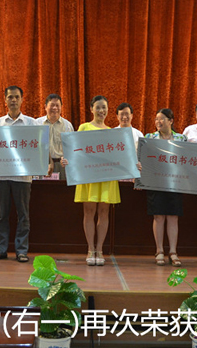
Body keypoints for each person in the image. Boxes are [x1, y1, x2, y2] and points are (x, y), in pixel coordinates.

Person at [61, 95, 120, 266]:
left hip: (106, 176)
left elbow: (117, 155)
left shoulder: (112, 131)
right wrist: (67, 159)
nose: (101, 110)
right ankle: (90, 249)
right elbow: (75, 149)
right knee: (89, 211)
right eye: (98, 107)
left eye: (104, 107)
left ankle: (100, 249)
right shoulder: (84, 127)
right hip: (88, 176)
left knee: (104, 212)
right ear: (91, 109)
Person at [0, 86, 39, 263]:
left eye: (17, 97)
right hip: (1, 176)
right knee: (1, 215)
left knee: (23, 215)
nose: (14, 100)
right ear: (5, 100)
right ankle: (0, 249)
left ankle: (21, 250)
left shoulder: (31, 123)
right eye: (10, 97)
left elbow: (38, 148)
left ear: (22, 99)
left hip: (23, 177)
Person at [143, 109, 187, 267]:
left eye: (162, 119)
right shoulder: (150, 137)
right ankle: (159, 250)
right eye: (156, 119)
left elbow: (187, 160)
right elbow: (143, 158)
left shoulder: (181, 138)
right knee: (159, 216)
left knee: (173, 216)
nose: (158, 122)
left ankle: (173, 252)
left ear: (171, 121)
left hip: (175, 182)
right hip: (156, 182)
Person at [36, 94, 74, 180]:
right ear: (45, 107)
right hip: (42, 164)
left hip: (62, 165)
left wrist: (67, 157)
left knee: (61, 188)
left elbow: (71, 148)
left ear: (61, 107)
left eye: (57, 105)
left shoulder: (67, 125)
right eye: (52, 105)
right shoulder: (37, 124)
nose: (55, 108)